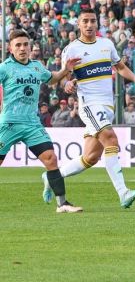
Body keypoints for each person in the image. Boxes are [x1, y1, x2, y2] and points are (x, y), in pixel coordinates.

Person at [42, 8, 135, 209]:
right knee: (111, 139)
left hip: (107, 106)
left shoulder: (107, 44)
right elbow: (63, 78)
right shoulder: (71, 49)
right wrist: (68, 84)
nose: (89, 25)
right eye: (85, 21)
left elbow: (120, 66)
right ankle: (124, 193)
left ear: (97, 23)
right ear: (78, 24)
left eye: (92, 21)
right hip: (89, 105)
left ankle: (52, 176)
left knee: (90, 157)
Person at [0, 29, 82, 212]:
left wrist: (65, 70)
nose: (22, 48)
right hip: (9, 124)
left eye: (25, 44)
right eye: (18, 45)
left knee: (51, 159)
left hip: (32, 124)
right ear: (10, 48)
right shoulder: (4, 67)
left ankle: (62, 204)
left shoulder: (36, 67)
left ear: (30, 47)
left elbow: (52, 79)